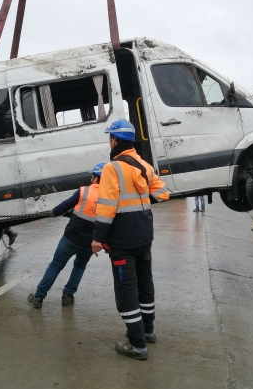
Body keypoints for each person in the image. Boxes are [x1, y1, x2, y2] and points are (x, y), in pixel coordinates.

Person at [92, 119, 170, 360]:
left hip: (123, 241)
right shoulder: (144, 165)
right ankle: (148, 331)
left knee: (126, 290)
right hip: (144, 235)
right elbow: (163, 193)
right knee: (145, 284)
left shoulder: (111, 168)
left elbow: (106, 207)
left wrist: (97, 238)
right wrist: (140, 202)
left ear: (114, 141)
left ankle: (137, 345)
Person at [27, 163, 107, 309]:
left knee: (56, 266)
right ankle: (68, 296)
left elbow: (65, 205)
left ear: (95, 178)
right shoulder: (111, 198)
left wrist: (54, 212)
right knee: (80, 266)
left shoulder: (84, 191)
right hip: (90, 243)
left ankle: (39, 297)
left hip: (70, 239)